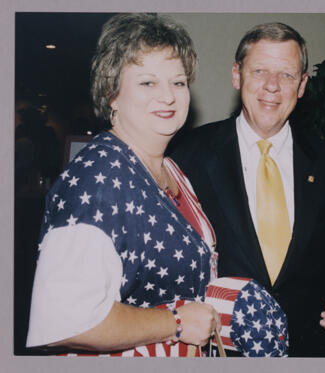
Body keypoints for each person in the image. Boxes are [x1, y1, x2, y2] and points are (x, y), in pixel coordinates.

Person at [26, 13, 221, 357]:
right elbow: (67, 320)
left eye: (178, 82)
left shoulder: (173, 170)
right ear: (111, 93)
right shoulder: (97, 176)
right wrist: (176, 323)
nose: (169, 97)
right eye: (148, 82)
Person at [171, 22, 325, 357]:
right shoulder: (185, 158)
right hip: (216, 350)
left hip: (308, 348)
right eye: (259, 70)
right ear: (237, 75)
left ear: (302, 85)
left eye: (287, 75)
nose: (272, 86)